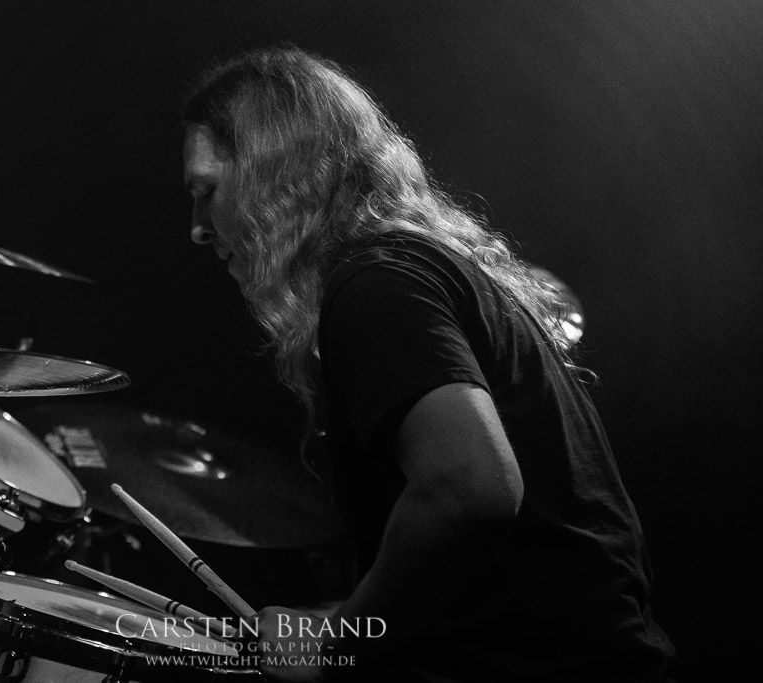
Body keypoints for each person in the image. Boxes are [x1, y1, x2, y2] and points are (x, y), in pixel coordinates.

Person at [181, 47, 673, 682]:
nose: (198, 227)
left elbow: (469, 487)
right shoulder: (415, 269)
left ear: (275, 172)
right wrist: (345, 620)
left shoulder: (376, 285)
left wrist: (335, 647)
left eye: (206, 191)